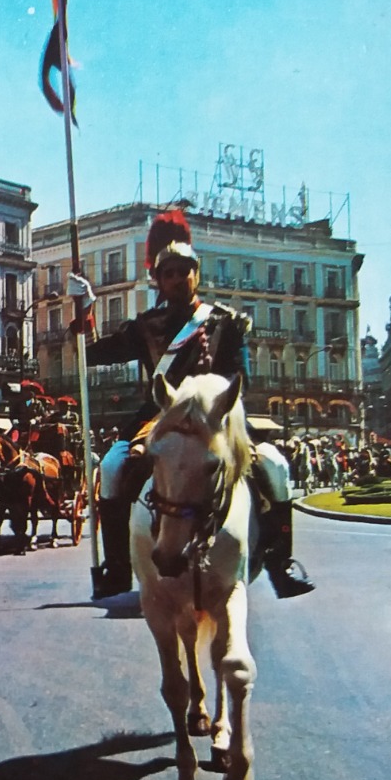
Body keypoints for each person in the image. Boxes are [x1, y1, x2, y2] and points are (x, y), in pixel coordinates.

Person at [82, 209, 312, 601]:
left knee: (273, 466)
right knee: (113, 465)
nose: (175, 279)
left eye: (182, 271)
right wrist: (82, 311)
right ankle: (118, 565)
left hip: (216, 416)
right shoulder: (145, 326)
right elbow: (96, 354)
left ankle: (279, 562)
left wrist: (211, 400)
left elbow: (241, 375)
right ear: (159, 280)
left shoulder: (224, 323)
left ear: (196, 274)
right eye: (167, 273)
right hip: (158, 418)